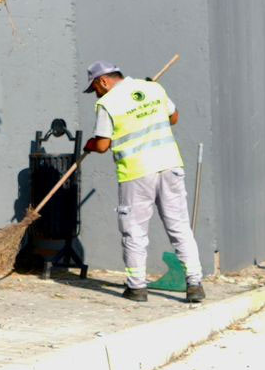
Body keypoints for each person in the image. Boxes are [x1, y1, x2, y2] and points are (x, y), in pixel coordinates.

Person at [82, 61, 203, 304]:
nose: (95, 93)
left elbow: (103, 145)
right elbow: (174, 118)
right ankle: (195, 284)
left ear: (103, 81)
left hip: (137, 172)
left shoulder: (107, 103)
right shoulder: (153, 89)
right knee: (179, 226)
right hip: (170, 165)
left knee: (134, 230)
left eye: (95, 87)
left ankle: (137, 287)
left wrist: (89, 145)